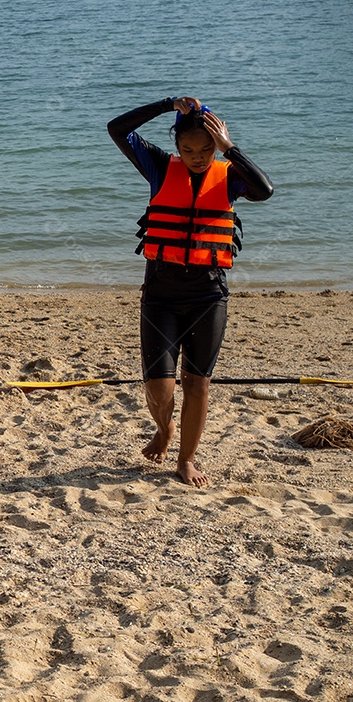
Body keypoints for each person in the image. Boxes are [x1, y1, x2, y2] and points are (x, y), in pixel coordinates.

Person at [107, 96, 273, 487]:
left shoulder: (231, 176)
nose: (198, 157)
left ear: (217, 144)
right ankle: (164, 429)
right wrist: (167, 104)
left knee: (197, 383)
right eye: (188, 150)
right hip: (160, 295)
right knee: (159, 386)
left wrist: (230, 148)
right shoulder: (159, 166)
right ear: (177, 147)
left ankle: (186, 459)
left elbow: (264, 190)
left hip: (208, 295)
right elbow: (117, 129)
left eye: (206, 149)